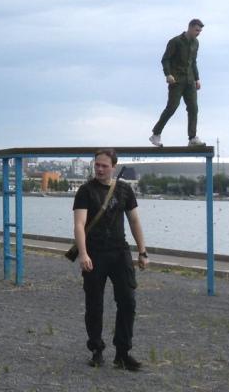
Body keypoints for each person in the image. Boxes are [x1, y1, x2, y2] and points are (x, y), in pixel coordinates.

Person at [73, 149, 148, 370]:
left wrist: (142, 251)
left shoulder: (124, 190)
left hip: (119, 252)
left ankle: (123, 353)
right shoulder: (85, 191)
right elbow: (79, 224)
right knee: (94, 304)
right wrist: (83, 253)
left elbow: (134, 221)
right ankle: (96, 350)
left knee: (127, 301)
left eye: (104, 166)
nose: (99, 169)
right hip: (94, 253)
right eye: (97, 165)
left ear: (113, 167)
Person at [150, 18, 205, 147]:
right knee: (172, 107)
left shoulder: (196, 43)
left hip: (190, 80)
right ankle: (156, 134)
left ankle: (192, 138)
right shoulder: (176, 41)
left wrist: (197, 78)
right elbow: (165, 59)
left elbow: (193, 62)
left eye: (200, 31)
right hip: (177, 80)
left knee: (193, 108)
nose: (198, 33)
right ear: (190, 28)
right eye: (196, 30)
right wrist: (168, 74)